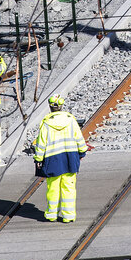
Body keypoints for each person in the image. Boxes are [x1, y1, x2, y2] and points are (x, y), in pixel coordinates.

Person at [33, 94, 87, 223]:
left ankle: (52, 214)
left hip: (53, 160)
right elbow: (79, 138)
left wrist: (38, 159)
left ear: (50, 107)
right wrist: (82, 152)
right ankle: (68, 216)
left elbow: (41, 144)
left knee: (53, 188)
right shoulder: (71, 120)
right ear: (62, 106)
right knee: (69, 187)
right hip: (70, 158)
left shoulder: (46, 123)